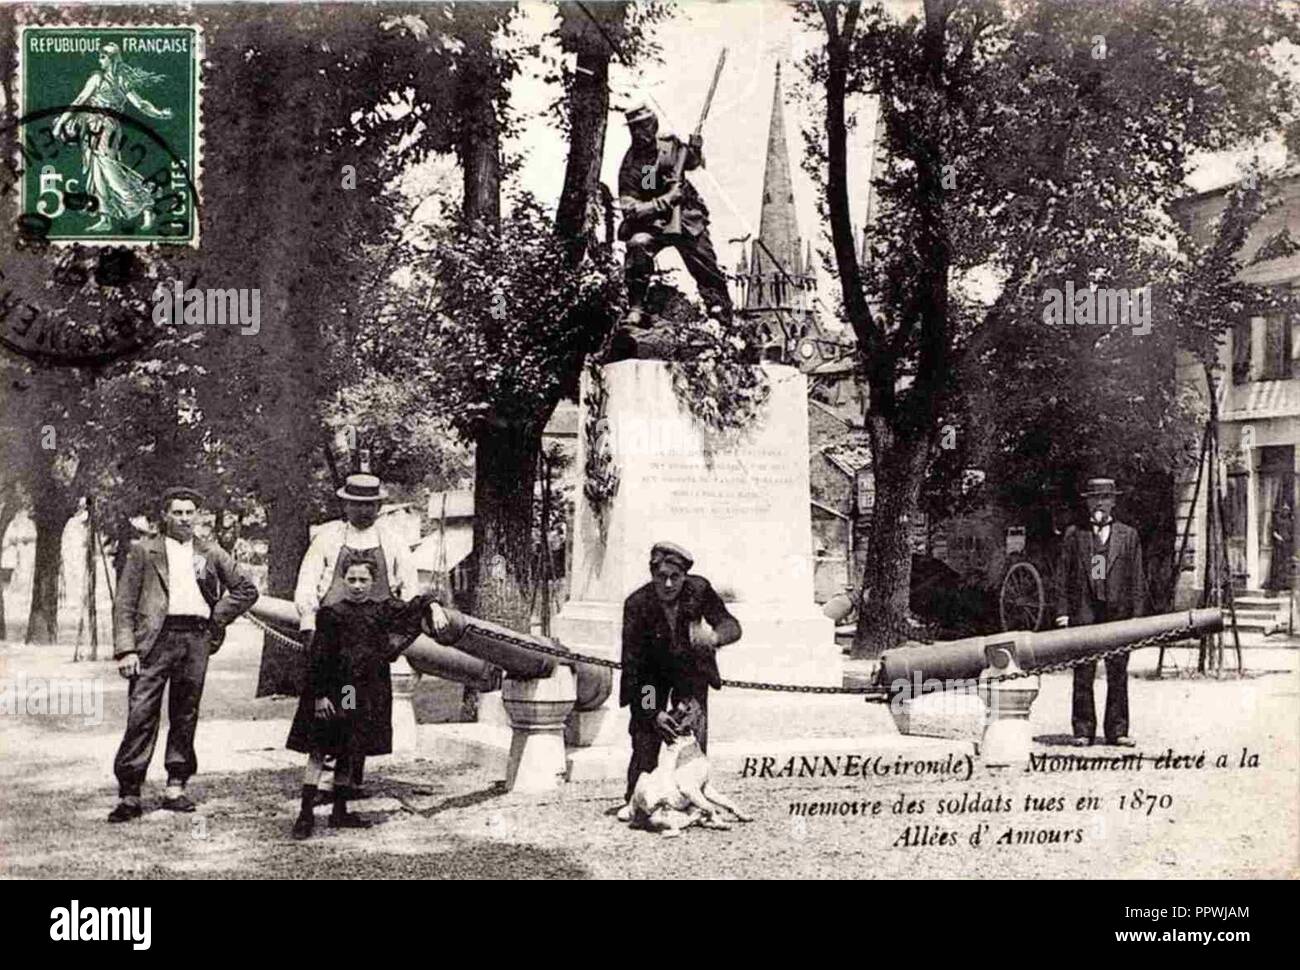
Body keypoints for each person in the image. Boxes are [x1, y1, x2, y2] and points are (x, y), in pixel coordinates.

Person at [108, 487, 258, 822]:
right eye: (178, 512)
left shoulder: (210, 551)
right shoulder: (143, 552)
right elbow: (124, 604)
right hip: (154, 642)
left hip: (195, 639)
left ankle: (176, 785)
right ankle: (130, 794)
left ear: (198, 516)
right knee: (141, 713)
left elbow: (247, 589)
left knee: (185, 711)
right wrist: (126, 649)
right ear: (165, 515)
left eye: (190, 512)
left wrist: (214, 616)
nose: (185, 519)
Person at [286, 560, 448, 838]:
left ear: (373, 582)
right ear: (343, 580)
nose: (358, 586)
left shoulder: (381, 610)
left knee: (349, 744)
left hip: (359, 690)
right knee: (320, 746)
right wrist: (321, 695)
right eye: (352, 579)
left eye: (363, 580)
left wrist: (433, 606)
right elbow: (318, 658)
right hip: (335, 688)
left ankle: (339, 811)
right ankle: (305, 814)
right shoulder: (330, 613)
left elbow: (416, 604)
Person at [291, 473, 420, 800]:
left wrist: (395, 638)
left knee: (361, 710)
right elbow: (307, 584)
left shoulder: (392, 540)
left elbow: (410, 589)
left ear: (378, 506)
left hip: (370, 645)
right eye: (356, 504)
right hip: (333, 640)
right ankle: (320, 783)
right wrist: (309, 624)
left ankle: (348, 779)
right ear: (345, 504)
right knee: (328, 708)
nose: (363, 511)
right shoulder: (327, 538)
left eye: (370, 505)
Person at [616, 541, 742, 822]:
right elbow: (635, 668)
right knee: (646, 733)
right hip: (651, 678)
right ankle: (636, 798)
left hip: (690, 672)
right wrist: (653, 712)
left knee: (693, 736)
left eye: (676, 577)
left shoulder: (698, 590)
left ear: (685, 576)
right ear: (652, 575)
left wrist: (715, 637)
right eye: (662, 577)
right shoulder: (637, 605)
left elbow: (731, 625)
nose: (669, 584)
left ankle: (692, 799)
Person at [617, 103, 733, 328]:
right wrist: (666, 200)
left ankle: (721, 312)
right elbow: (631, 208)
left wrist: (696, 149)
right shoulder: (633, 164)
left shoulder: (669, 146)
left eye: (644, 126)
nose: (640, 133)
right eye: (635, 129)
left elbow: (691, 162)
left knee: (705, 262)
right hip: (654, 223)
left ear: (653, 125)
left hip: (687, 216)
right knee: (638, 245)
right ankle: (637, 307)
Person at [1054, 478, 1146, 748]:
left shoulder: (1128, 536)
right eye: (1094, 498)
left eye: (1105, 498)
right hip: (1085, 613)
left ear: (1113, 501)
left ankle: (1117, 730)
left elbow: (1137, 579)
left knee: (1118, 673)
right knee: (1083, 673)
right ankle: (1083, 730)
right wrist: (1063, 612)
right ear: (1086, 502)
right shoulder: (1075, 535)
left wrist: (1137, 617)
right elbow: (1063, 578)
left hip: (1118, 614)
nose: (1099, 503)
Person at [52, 43, 173, 232]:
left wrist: (158, 113)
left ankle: (145, 205)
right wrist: (62, 123)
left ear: (113, 59)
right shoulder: (102, 77)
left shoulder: (113, 79)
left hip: (106, 128)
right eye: (100, 55)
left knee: (110, 169)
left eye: (103, 56)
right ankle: (105, 217)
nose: (100, 59)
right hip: (92, 126)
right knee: (97, 171)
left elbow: (140, 104)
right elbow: (81, 102)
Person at [1266, 501, 1293, 592]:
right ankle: (1275, 585)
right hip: (1279, 545)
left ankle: (1284, 584)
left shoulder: (1290, 521)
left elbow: (1291, 532)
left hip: (1286, 545)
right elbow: (1273, 531)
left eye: (1287, 510)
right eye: (1284, 510)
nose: (1286, 512)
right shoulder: (1278, 520)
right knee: (1278, 564)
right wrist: (1279, 538)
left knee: (1285, 565)